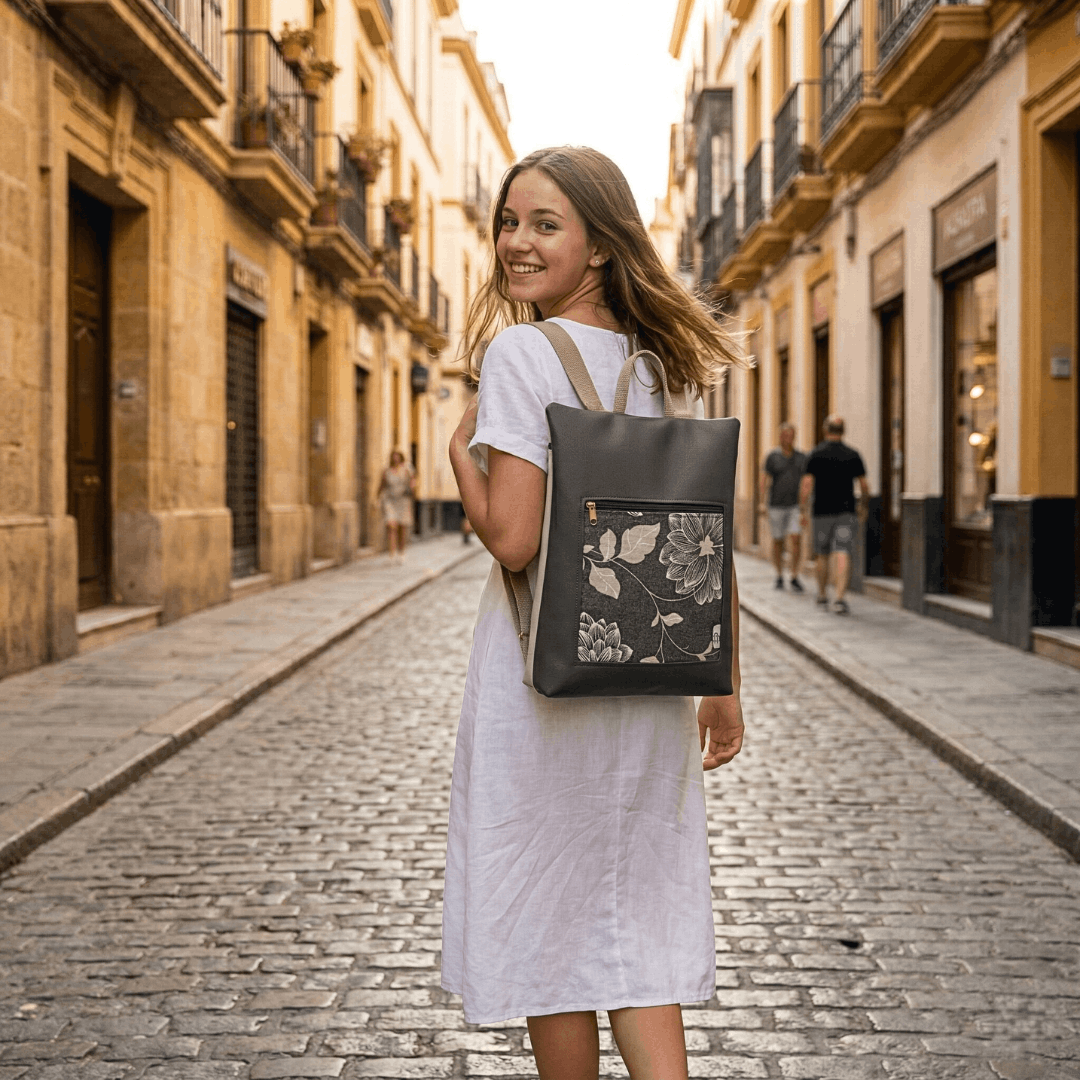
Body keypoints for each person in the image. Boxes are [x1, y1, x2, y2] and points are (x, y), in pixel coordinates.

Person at [445, 146, 747, 1080]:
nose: (516, 244)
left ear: (602, 247)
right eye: (508, 222)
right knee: (637, 913)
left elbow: (513, 540)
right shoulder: (667, 363)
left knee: (550, 919)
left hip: (546, 680)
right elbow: (704, 537)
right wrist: (724, 689)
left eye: (545, 225)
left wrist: (462, 456)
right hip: (653, 675)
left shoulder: (522, 353)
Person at [799, 414, 868, 615]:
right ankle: (839, 598)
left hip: (821, 512)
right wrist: (863, 505)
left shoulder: (815, 454)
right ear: (843, 431)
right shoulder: (853, 454)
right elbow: (864, 485)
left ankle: (822, 594)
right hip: (846, 512)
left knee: (822, 554)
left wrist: (803, 509)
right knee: (842, 552)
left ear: (825, 430)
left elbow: (806, 485)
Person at [759, 422, 807, 591]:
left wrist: (804, 507)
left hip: (795, 506)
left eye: (791, 435)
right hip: (776, 505)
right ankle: (779, 574)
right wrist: (762, 502)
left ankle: (794, 575)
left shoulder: (801, 457)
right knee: (778, 541)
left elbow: (806, 482)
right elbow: (764, 480)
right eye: (785, 435)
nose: (788, 438)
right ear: (780, 437)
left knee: (796, 539)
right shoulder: (772, 457)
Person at [377, 450, 414, 562]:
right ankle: (392, 554)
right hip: (389, 501)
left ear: (401, 457)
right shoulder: (386, 471)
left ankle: (401, 552)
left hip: (403, 500)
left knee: (402, 527)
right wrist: (377, 498)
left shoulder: (407, 469)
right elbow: (381, 485)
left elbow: (413, 481)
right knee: (391, 526)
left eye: (397, 456)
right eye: (393, 456)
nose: (395, 458)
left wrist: (412, 488)